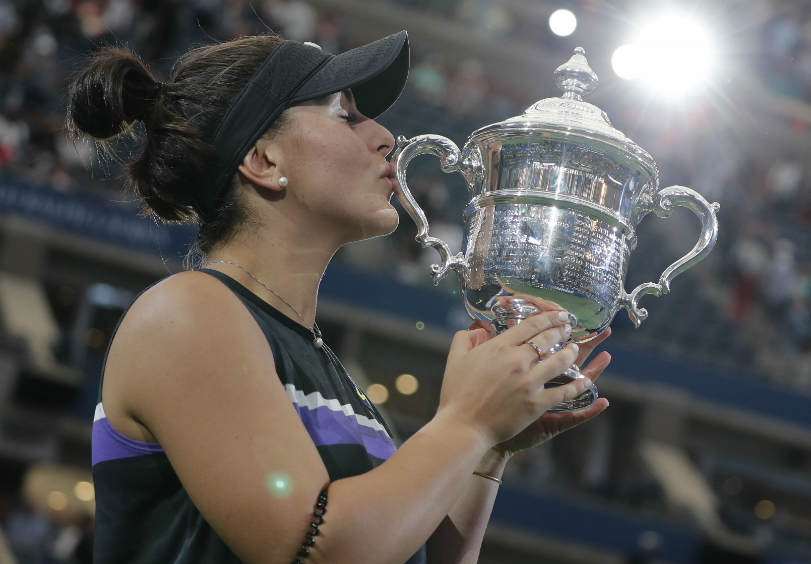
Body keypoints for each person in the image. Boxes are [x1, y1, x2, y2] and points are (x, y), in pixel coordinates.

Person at [67, 31, 612, 564]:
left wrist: (488, 448)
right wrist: (467, 422)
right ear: (263, 160)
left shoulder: (321, 364)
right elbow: (319, 551)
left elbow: (398, 549)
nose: (385, 137)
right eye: (344, 115)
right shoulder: (187, 313)